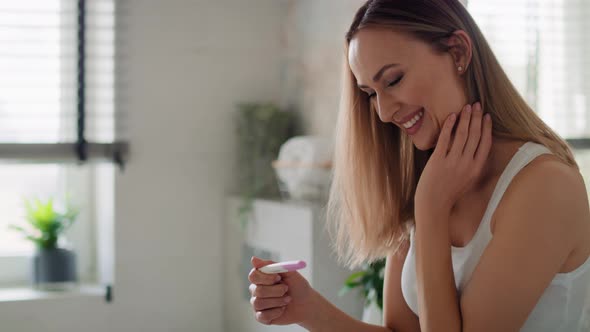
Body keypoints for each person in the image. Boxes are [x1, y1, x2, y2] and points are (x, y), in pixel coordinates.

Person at [247, 0, 590, 331]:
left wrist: (430, 210)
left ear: (458, 52)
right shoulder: (428, 178)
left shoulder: (544, 187)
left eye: (393, 80)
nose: (382, 112)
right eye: (370, 93)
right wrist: (308, 309)